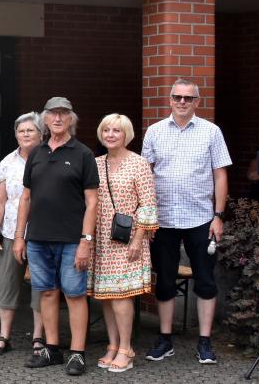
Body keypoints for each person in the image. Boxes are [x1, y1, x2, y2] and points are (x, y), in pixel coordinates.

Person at [141, 79, 231, 365]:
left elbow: (220, 175)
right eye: (177, 97)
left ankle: (204, 342)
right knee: (165, 280)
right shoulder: (154, 132)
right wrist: (146, 216)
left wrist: (218, 216)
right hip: (163, 219)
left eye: (188, 98)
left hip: (200, 218)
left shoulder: (211, 132)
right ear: (169, 100)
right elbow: (145, 175)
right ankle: (165, 338)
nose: (182, 102)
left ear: (196, 102)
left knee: (205, 280)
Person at [12, 96, 99, 376]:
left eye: (63, 114)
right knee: (47, 293)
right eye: (53, 114)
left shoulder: (83, 154)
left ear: (71, 119)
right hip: (37, 239)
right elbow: (25, 198)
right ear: (45, 120)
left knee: (74, 295)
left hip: (72, 240)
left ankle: (77, 353)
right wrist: (19, 237)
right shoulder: (36, 153)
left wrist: (86, 241)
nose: (58, 119)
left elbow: (92, 202)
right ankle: (51, 349)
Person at [87, 113, 158, 374]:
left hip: (127, 240)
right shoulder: (95, 163)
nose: (110, 135)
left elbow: (148, 204)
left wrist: (139, 239)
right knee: (106, 296)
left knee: (121, 296)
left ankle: (126, 348)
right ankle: (113, 344)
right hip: (101, 240)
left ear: (126, 134)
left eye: (116, 130)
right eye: (106, 130)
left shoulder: (139, 164)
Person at [0, 112, 44, 358]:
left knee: (41, 287)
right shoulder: (7, 162)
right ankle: (4, 336)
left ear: (41, 134)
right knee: (8, 285)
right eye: (21, 130)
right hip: (10, 232)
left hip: (42, 233)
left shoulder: (47, 158)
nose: (26, 134)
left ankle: (40, 337)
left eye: (30, 130)